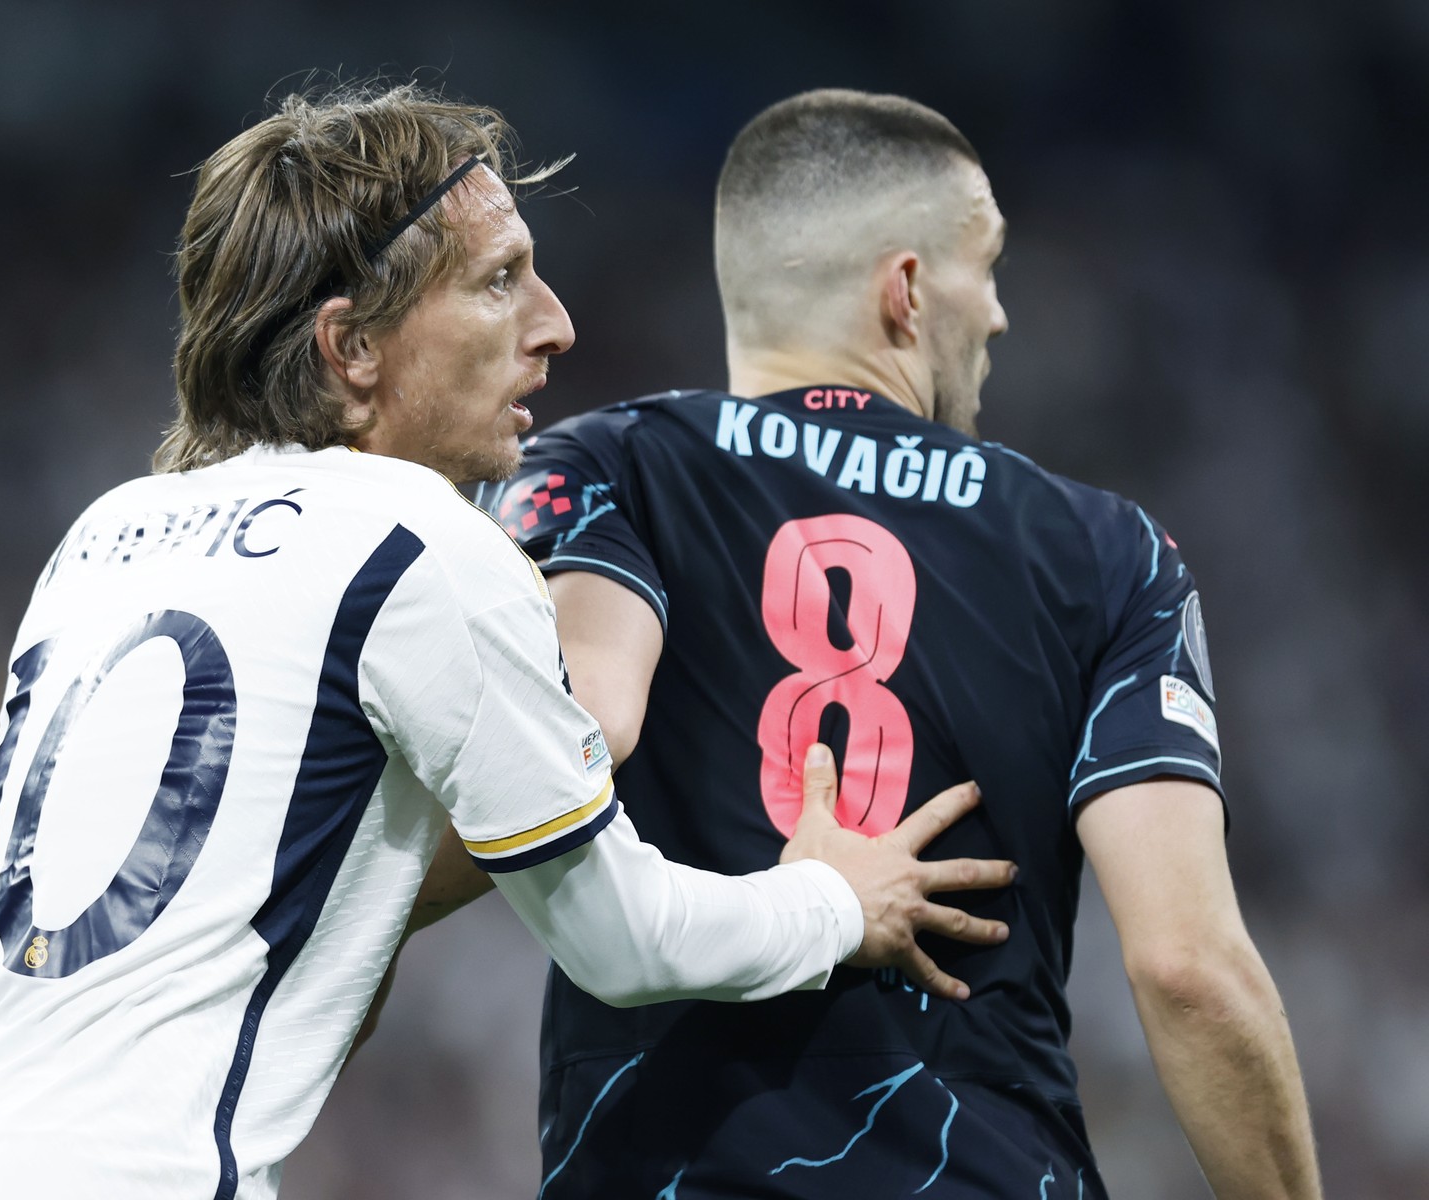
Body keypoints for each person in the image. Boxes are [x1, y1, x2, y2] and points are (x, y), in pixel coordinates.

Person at [0, 84, 1018, 1200]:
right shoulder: (417, 542)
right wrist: (829, 901)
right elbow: (618, 939)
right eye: (500, 281)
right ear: (351, 347)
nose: (555, 325)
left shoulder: (103, 536)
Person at [467, 90, 1320, 1197]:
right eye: (990, 266)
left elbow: (579, 729)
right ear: (907, 289)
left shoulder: (596, 467)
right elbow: (1189, 969)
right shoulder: (1110, 550)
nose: (1001, 313)